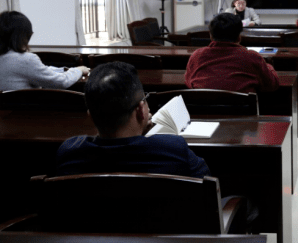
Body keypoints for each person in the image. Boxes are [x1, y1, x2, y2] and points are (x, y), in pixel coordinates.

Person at [54, 61, 209, 177]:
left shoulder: (69, 153)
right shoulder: (174, 149)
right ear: (141, 110)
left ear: (91, 117)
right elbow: (207, 184)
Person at [0, 10, 90, 110]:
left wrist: (63, 70)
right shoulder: (25, 59)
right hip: (17, 120)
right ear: (22, 36)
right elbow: (61, 82)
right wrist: (78, 70)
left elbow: (36, 71)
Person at [185, 12, 279, 93]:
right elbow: (271, 85)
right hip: (242, 113)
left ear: (211, 36)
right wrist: (269, 67)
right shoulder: (252, 57)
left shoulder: (197, 55)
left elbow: (189, 81)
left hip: (203, 112)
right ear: (239, 37)